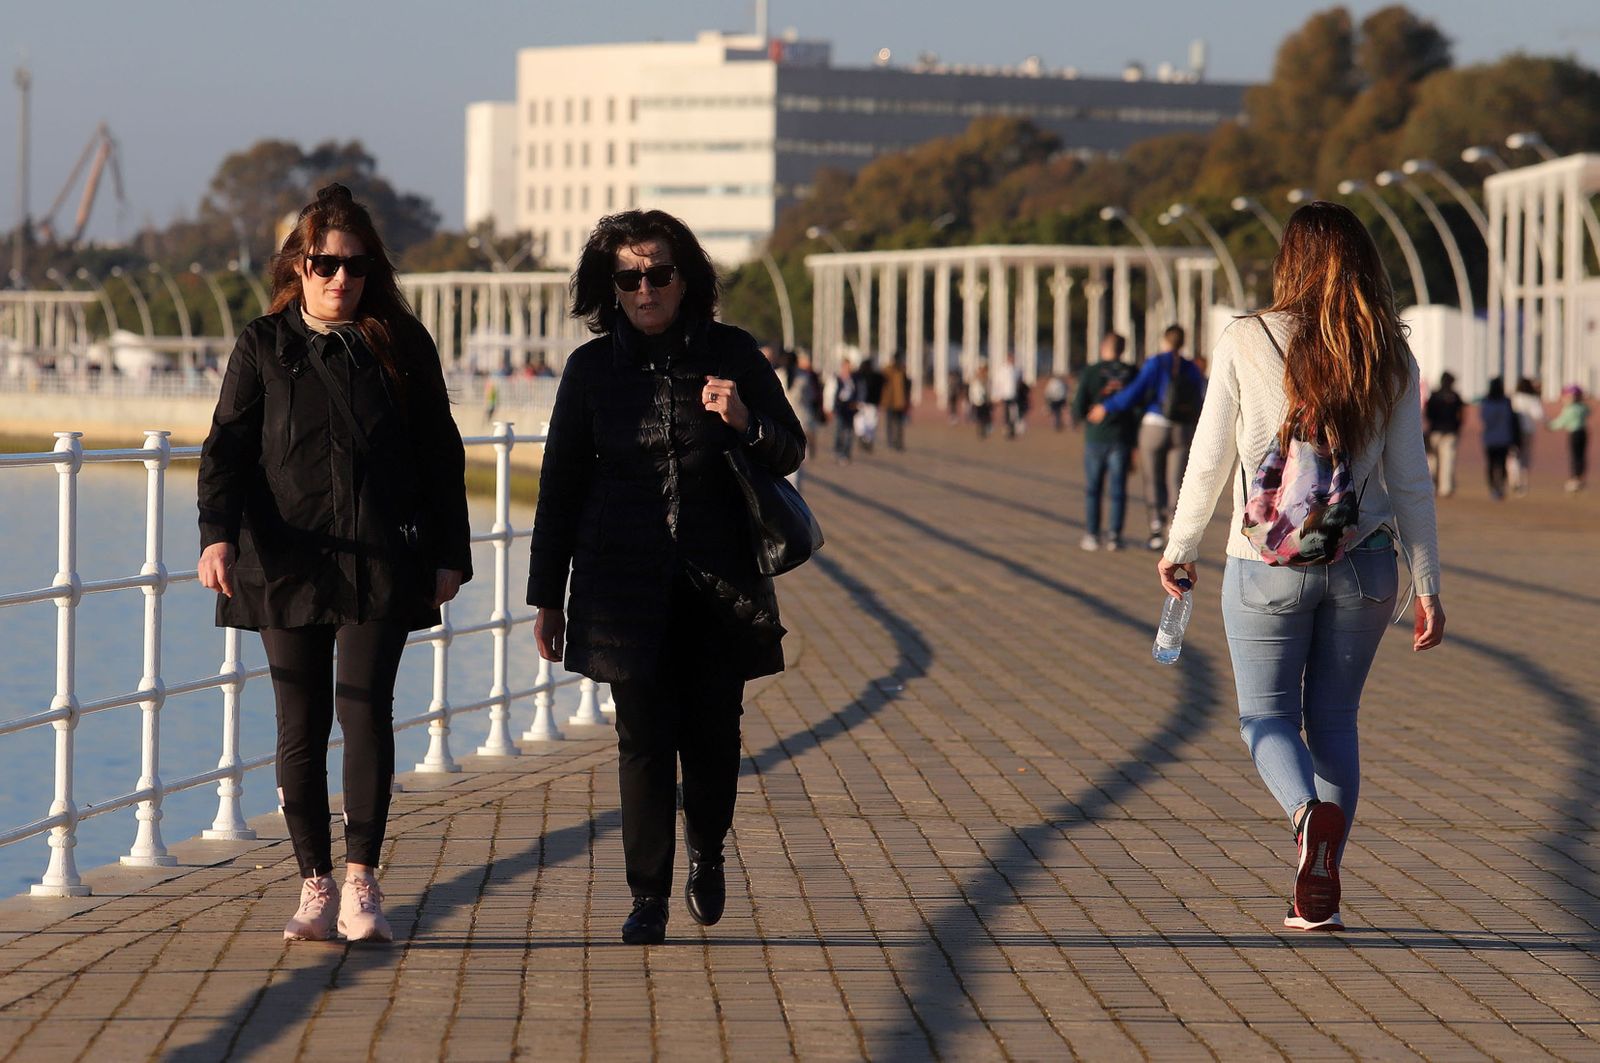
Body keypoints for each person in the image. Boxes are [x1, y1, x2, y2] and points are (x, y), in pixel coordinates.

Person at [197, 184, 473, 943]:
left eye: (353, 265)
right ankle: (313, 882)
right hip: (286, 560)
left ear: (370, 268)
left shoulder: (402, 344)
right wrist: (216, 534)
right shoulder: (263, 343)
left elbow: (440, 453)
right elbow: (226, 447)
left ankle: (361, 883)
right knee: (300, 723)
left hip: (382, 558)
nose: (339, 279)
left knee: (365, 713)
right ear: (300, 264)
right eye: (324, 263)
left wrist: (451, 552)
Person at [1157, 201, 1443, 933]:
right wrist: (1430, 583)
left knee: (1266, 715)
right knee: (1336, 719)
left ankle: (1304, 816)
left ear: (1291, 261)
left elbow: (1211, 455)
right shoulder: (1392, 351)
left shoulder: (1246, 337)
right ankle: (1323, 887)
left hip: (1266, 561)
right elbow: (1411, 478)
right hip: (1368, 564)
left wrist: (1180, 546)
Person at [528, 210, 805, 945]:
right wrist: (545, 597)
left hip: (719, 583)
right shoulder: (590, 370)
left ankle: (707, 852)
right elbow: (558, 488)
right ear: (610, 286)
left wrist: (744, 417)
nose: (645, 288)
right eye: (629, 276)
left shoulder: (732, 352)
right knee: (642, 737)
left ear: (686, 280)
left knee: (713, 735)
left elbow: (788, 448)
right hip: (622, 584)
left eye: (658, 274)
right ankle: (646, 895)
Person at [1088, 324, 1206, 549]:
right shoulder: (1191, 367)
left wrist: (1108, 406)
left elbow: (1135, 392)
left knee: (1153, 479)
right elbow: (1199, 397)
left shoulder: (1156, 363)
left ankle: (1155, 528)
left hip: (1154, 426)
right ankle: (1174, 527)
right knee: (1176, 480)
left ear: (1165, 340)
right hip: (1182, 429)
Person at [1072, 332, 1138, 551]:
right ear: (1122, 349)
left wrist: (1086, 416)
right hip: (1121, 437)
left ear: (1103, 348)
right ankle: (1114, 536)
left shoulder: (1091, 372)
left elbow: (1079, 406)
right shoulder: (1131, 373)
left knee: (1093, 488)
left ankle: (1092, 534)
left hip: (1096, 437)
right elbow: (1138, 407)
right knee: (1118, 489)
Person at [1477, 377, 1521, 500]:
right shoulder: (1506, 402)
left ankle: (1493, 487)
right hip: (1503, 438)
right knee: (1501, 464)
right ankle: (1500, 486)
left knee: (1491, 464)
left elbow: (1484, 419)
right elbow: (1512, 420)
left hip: (1490, 438)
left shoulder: (1486, 402)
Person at [1423, 371, 1463, 497]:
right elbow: (1460, 415)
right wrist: (1457, 427)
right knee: (1447, 461)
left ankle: (1431, 486)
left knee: (1432, 460)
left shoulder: (1434, 396)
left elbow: (1428, 413)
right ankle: (1445, 488)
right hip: (1450, 432)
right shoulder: (1455, 396)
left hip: (1436, 431)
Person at [1508, 377, 1545, 495]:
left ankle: (1514, 480)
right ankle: (1524, 483)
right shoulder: (1532, 399)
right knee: (1525, 456)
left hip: (1513, 431)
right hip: (1528, 430)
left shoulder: (1513, 399)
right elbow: (1539, 415)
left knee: (1513, 456)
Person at [1551, 384, 1590, 491]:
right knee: (1581, 456)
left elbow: (1561, 421)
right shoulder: (1583, 407)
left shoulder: (1570, 409)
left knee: (1575, 456)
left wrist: (1550, 426)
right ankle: (1580, 478)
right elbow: (1588, 411)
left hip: (1574, 434)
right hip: (1583, 433)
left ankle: (1575, 479)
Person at [829, 359, 860, 462]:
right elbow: (832, 393)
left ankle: (846, 453)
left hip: (850, 407)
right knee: (839, 429)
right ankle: (838, 450)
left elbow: (857, 392)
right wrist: (831, 407)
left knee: (849, 431)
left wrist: (856, 403)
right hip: (840, 407)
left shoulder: (854, 379)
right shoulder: (837, 379)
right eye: (845, 366)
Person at [880, 352, 911, 451]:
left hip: (900, 401)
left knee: (899, 423)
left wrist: (907, 399)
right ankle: (890, 442)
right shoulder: (888, 370)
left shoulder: (902, 370)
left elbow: (906, 386)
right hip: (890, 400)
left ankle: (898, 442)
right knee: (890, 422)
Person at [855, 356, 884, 452]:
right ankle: (868, 440)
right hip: (871, 404)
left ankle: (864, 439)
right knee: (870, 424)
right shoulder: (877, 377)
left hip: (863, 403)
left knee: (862, 422)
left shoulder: (858, 376)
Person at [993, 353, 1021, 439]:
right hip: (1005, 394)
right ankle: (1007, 428)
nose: (1012, 361)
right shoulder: (1002, 370)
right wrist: (997, 395)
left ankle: (1013, 428)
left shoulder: (1016, 370)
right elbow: (998, 383)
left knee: (1014, 412)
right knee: (1006, 412)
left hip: (1014, 394)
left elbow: (1018, 381)